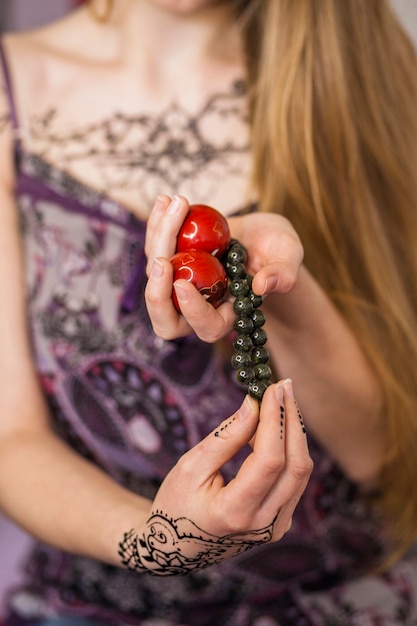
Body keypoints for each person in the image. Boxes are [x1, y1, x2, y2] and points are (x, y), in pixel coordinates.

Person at [0, 0, 416, 624]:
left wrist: (273, 287)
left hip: (345, 593)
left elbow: (378, 456)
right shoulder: (9, 99)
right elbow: (12, 440)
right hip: (99, 603)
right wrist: (158, 539)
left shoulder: (346, 74)